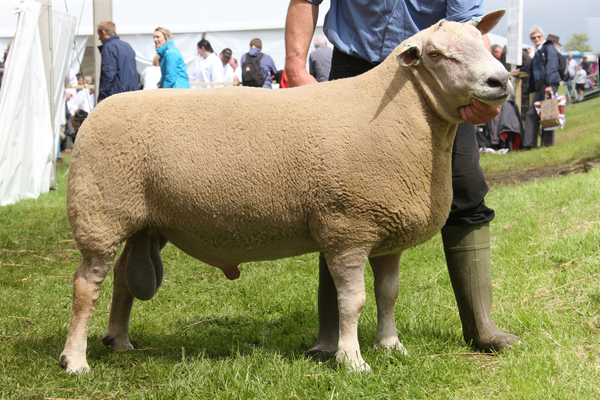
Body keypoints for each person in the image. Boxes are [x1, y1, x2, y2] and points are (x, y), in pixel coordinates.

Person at [285, 0, 520, 359]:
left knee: (466, 188)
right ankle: (330, 336)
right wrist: (295, 67)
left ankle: (481, 324)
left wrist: (485, 87)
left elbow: (468, 27)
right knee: (342, 198)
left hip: (436, 67)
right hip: (355, 64)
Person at [518, 26, 561, 148]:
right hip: (539, 85)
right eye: (533, 37)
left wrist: (549, 85)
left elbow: (552, 66)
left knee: (548, 112)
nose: (536, 39)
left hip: (548, 83)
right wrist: (520, 70)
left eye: (539, 36)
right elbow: (532, 67)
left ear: (543, 36)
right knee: (532, 113)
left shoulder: (549, 47)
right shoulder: (538, 51)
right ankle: (529, 144)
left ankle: (546, 143)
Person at [97, 20, 138, 102]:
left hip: (116, 95)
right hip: (132, 94)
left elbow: (108, 72)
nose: (99, 38)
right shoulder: (127, 46)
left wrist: (103, 95)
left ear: (103, 32)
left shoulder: (108, 47)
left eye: (99, 35)